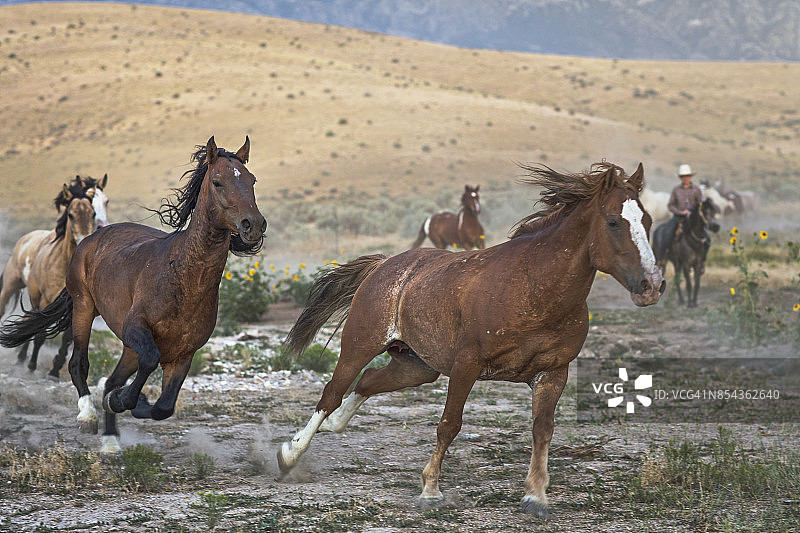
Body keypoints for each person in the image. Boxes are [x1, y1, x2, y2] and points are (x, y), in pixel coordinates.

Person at [654, 164, 704, 263]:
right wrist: (681, 212)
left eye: (687, 176)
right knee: (667, 234)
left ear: (690, 176)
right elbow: (670, 205)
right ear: (680, 178)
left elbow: (700, 204)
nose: (685, 178)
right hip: (678, 218)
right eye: (683, 176)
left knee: (706, 237)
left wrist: (692, 212)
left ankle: (702, 259)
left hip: (693, 219)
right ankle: (661, 258)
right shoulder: (676, 190)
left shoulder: (697, 190)